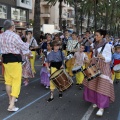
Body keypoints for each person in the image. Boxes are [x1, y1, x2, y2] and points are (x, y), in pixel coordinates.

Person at [83, 29, 115, 116]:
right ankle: (96, 101)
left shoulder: (108, 45)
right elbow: (93, 55)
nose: (95, 37)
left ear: (102, 36)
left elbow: (109, 58)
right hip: (94, 65)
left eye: (97, 35)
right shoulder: (94, 44)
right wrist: (88, 60)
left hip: (103, 66)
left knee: (102, 86)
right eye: (95, 35)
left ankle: (101, 107)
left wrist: (104, 57)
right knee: (94, 84)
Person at [0, 20, 30, 111]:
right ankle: (11, 105)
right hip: (14, 60)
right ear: (12, 26)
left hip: (5, 60)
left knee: (8, 81)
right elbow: (24, 47)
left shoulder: (1, 36)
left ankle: (10, 100)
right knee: (16, 82)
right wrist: (28, 39)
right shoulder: (14, 36)